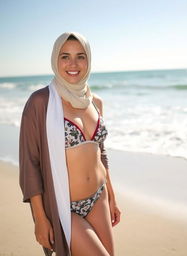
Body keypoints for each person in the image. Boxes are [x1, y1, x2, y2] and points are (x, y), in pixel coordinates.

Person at [19, 32, 121, 256]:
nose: (73, 64)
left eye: (80, 56)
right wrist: (40, 218)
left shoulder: (96, 102)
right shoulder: (40, 102)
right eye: (65, 56)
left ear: (89, 60)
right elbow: (30, 163)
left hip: (98, 198)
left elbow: (100, 153)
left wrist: (112, 196)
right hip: (63, 207)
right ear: (56, 60)